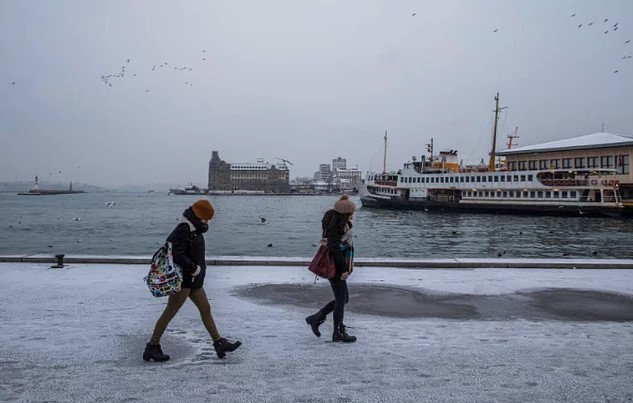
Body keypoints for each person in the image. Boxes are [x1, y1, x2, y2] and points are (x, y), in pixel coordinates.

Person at [143, 199, 241, 361]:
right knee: (170, 312)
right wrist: (194, 268)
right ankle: (152, 347)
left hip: (194, 281)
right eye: (205, 218)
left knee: (206, 309)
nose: (207, 222)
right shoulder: (184, 228)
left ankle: (219, 343)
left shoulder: (195, 228)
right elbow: (178, 254)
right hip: (184, 281)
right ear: (198, 215)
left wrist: (197, 272)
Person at [305, 194, 357, 343]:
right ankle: (337, 332)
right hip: (335, 266)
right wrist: (344, 270)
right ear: (345, 212)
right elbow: (335, 249)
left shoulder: (341, 224)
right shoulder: (336, 226)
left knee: (343, 299)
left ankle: (317, 318)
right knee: (341, 300)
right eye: (351, 212)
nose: (353, 214)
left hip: (337, 265)